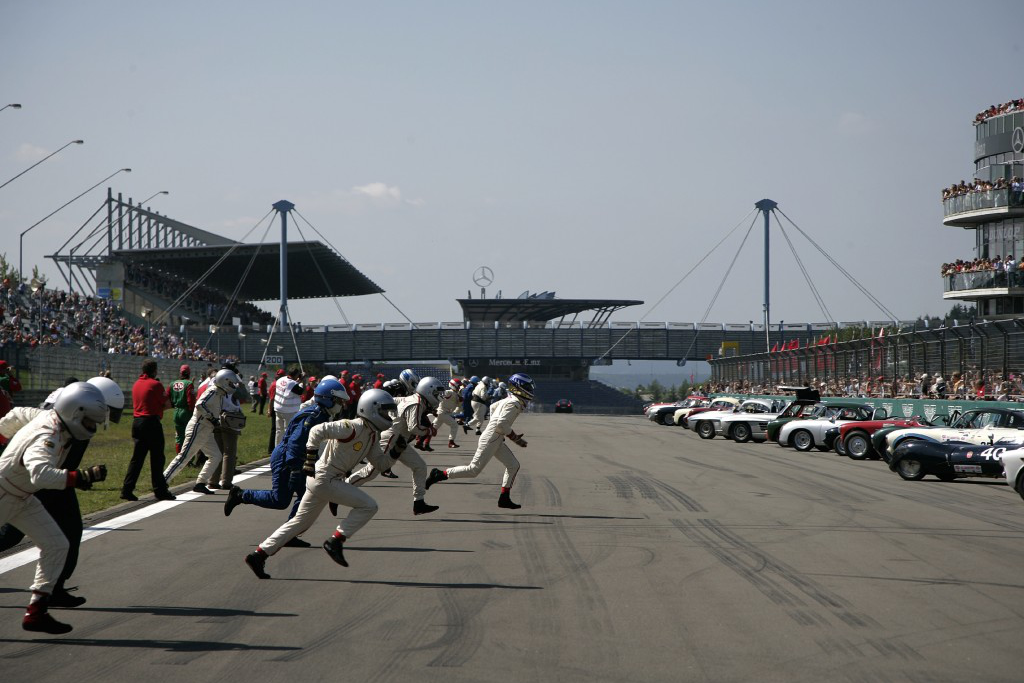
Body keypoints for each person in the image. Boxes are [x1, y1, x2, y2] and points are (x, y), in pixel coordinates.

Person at [0, 376, 127, 608]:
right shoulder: (65, 415)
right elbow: (26, 425)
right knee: (11, 535)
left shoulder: (74, 408)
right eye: (99, 414)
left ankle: (53, 589)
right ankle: (50, 591)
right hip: (35, 482)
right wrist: (78, 477)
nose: (98, 422)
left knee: (69, 533)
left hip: (58, 482)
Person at [243, 388, 395, 579]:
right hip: (325, 478)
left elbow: (381, 464)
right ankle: (336, 540)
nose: (388, 415)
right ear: (371, 409)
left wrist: (396, 451)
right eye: (384, 411)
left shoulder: (371, 435)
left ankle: (258, 555)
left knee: (299, 523)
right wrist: (310, 457)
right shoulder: (352, 426)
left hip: (324, 480)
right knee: (369, 506)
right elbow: (317, 430)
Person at [225, 379, 349, 536]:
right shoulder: (313, 418)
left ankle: (289, 534)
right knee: (280, 500)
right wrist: (295, 469)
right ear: (328, 399)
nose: (341, 405)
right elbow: (295, 443)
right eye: (339, 401)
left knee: (306, 496)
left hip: (296, 458)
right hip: (286, 459)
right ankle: (240, 495)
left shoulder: (321, 415)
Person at [426, 372, 535, 509]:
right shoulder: (514, 403)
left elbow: (493, 407)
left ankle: (504, 498)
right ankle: (439, 474)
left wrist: (494, 427)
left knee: (513, 465)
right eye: (528, 387)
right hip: (492, 438)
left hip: (494, 437)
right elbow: (501, 424)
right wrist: (514, 438)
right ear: (519, 388)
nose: (530, 391)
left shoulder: (510, 399)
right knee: (473, 470)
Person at [346, 376, 444, 515]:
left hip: (399, 439)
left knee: (420, 466)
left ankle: (419, 502)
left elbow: (394, 401)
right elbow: (414, 428)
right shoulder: (416, 403)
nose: (438, 396)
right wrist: (429, 431)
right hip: (391, 438)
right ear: (428, 391)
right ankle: (341, 489)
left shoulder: (415, 399)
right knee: (371, 471)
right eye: (436, 393)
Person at [162, 368, 240, 493]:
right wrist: (211, 418)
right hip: (198, 427)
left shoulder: (219, 393)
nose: (232, 385)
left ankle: (200, 483)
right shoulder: (213, 391)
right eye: (231, 383)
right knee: (184, 457)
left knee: (216, 456)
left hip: (206, 429)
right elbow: (200, 404)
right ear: (224, 381)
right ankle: (162, 481)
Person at [121, 359, 175, 502]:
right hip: (151, 422)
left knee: (137, 458)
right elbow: (167, 404)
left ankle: (127, 489)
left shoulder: (136, 384)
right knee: (157, 458)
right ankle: (160, 490)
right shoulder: (156, 384)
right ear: (154, 370)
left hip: (137, 422)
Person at [167, 365, 196, 454]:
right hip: (186, 412)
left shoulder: (172, 384)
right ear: (189, 373)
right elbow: (190, 401)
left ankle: (178, 455)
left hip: (176, 412)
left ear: (180, 373)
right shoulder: (189, 384)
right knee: (189, 435)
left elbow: (167, 397)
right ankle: (188, 458)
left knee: (179, 436)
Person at [273, 367, 304, 447]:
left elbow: (290, 385)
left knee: (279, 431)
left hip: (278, 409)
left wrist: (298, 380)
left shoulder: (281, 379)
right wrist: (302, 381)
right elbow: (301, 391)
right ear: (296, 375)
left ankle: (277, 447)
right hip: (288, 411)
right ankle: (286, 448)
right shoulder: (293, 384)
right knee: (288, 430)